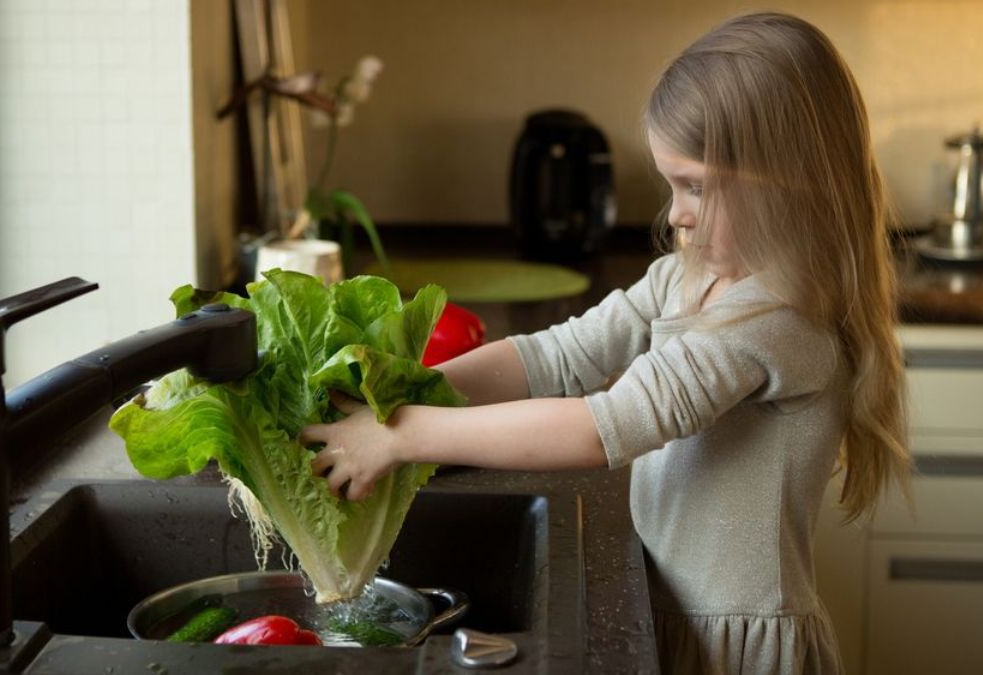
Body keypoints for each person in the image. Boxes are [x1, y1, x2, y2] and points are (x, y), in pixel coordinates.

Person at [301, 11, 912, 674]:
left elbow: (602, 428)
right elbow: (558, 355)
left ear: (787, 177)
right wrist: (411, 387)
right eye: (671, 184)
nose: (675, 211)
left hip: (737, 650)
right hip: (667, 611)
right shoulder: (688, 277)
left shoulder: (776, 322)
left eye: (696, 187)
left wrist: (403, 435)